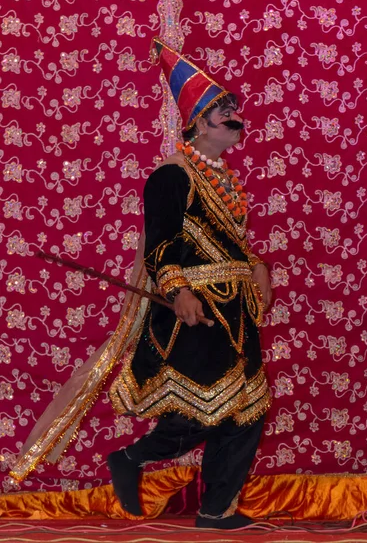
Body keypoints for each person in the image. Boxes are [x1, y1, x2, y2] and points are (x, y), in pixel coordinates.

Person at [107, 38, 273, 530]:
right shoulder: (170, 177)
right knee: (209, 406)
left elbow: (232, 247)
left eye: (236, 113)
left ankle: (215, 509)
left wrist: (258, 266)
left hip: (237, 308)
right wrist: (179, 291)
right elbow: (160, 246)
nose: (237, 121)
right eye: (227, 114)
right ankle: (133, 458)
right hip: (195, 306)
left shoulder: (226, 183)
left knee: (248, 407)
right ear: (200, 122)